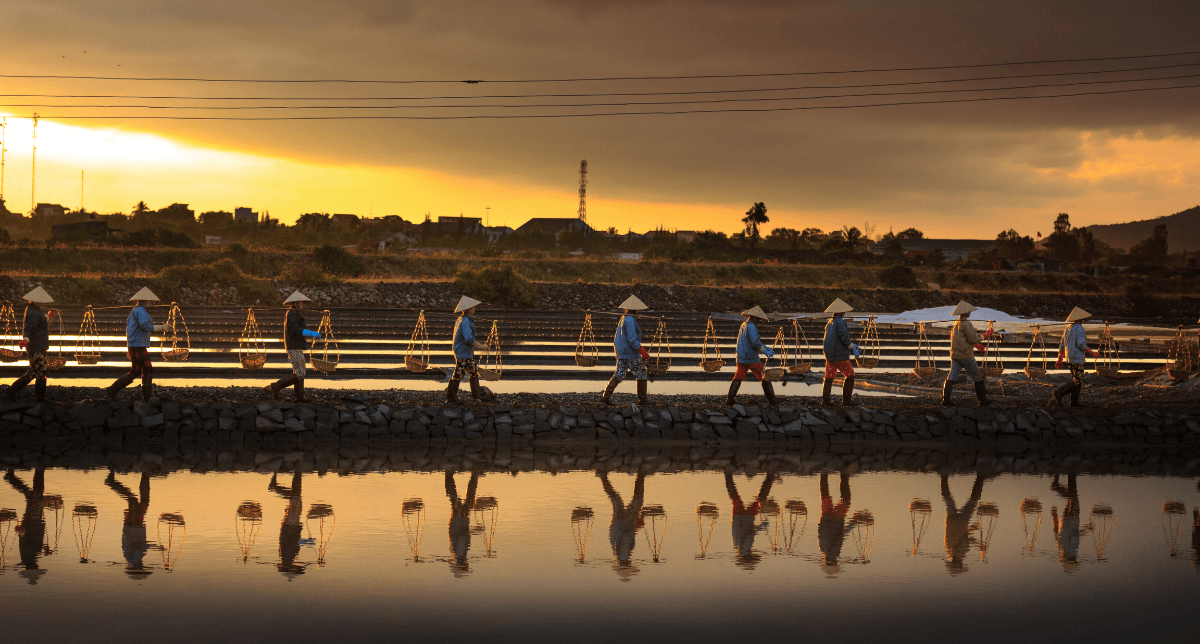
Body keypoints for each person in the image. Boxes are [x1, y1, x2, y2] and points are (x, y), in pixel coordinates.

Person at [105, 287, 167, 402]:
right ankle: (112, 390)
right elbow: (145, 326)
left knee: (147, 368)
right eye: (151, 301)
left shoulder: (139, 310)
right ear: (145, 301)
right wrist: (161, 327)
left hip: (139, 344)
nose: (152, 303)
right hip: (136, 345)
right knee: (136, 370)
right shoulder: (140, 311)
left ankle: (147, 397)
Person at [265, 290, 321, 402]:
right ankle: (276, 386)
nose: (303, 305)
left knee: (300, 371)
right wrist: (311, 333)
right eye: (302, 302)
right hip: (293, 346)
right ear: (296, 303)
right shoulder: (292, 313)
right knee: (300, 372)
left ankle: (299, 396)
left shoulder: (293, 313)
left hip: (295, 345)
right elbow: (295, 329)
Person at [601, 295, 653, 406]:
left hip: (622, 352)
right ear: (634, 309)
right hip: (629, 353)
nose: (639, 312)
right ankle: (642, 399)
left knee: (619, 373)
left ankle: (605, 397)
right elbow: (632, 339)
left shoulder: (625, 317)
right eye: (638, 310)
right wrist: (641, 350)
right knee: (641, 372)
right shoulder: (630, 320)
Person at [6, 287, 56, 402]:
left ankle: (11, 391)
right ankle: (40, 397)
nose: (44, 302)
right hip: (37, 347)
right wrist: (26, 340)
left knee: (32, 372)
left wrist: (48, 316)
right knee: (41, 372)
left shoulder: (34, 310)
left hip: (36, 346)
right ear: (37, 300)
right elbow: (29, 328)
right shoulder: (34, 312)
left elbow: (41, 320)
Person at [942, 301, 994, 407]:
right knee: (977, 376)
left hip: (955, 355)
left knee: (951, 376)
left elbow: (961, 340)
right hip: (965, 355)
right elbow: (973, 338)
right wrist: (984, 336)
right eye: (969, 312)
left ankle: (945, 400)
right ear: (966, 313)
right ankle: (983, 400)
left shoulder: (956, 324)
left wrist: (976, 345)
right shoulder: (966, 324)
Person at [726, 306, 778, 406]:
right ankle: (772, 399)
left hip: (741, 356)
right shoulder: (751, 327)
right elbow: (755, 343)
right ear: (754, 317)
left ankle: (730, 398)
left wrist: (766, 347)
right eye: (758, 318)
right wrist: (765, 352)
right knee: (764, 376)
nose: (759, 320)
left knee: (739, 376)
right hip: (750, 357)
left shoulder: (744, 325)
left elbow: (753, 341)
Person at [599, 470, 646, 581]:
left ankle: (641, 475)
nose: (631, 563)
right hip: (616, 524)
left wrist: (634, 524)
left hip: (624, 524)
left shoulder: (623, 555)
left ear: (627, 565)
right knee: (615, 499)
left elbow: (626, 537)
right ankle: (602, 476)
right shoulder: (617, 554)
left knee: (637, 500)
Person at [105, 470, 151, 577]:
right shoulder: (133, 558)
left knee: (133, 500)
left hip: (133, 527)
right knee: (144, 501)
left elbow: (139, 547)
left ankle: (111, 482)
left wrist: (154, 546)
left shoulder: (134, 558)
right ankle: (145, 476)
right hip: (136, 525)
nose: (144, 566)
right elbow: (141, 546)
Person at [447, 296, 493, 404]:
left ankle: (477, 397)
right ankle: (450, 398)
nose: (474, 309)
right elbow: (468, 338)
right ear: (468, 309)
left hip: (466, 353)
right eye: (473, 307)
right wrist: (481, 346)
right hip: (462, 352)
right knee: (458, 374)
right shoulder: (465, 321)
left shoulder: (463, 320)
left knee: (473, 372)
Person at [726, 472, 776, 570]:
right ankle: (727, 475)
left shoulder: (745, 548)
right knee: (734, 497)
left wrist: (761, 527)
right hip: (737, 518)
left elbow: (750, 534)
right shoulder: (738, 547)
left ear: (749, 558)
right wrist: (758, 528)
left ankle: (770, 477)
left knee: (760, 499)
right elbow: (747, 532)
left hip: (746, 518)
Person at [5, 467, 47, 583]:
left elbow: (25, 542)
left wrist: (22, 532)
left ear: (31, 568)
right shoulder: (31, 557)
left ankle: (38, 471)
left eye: (36, 569)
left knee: (36, 496)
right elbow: (33, 541)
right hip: (34, 522)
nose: (37, 567)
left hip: (32, 521)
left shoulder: (28, 557)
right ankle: (12, 478)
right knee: (32, 495)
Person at [1053, 307, 1097, 408]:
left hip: (1069, 358)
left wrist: (1060, 359)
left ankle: (1074, 402)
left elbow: (1062, 345)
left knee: (1077, 379)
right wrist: (1093, 353)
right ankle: (1059, 393)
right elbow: (1081, 345)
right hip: (1077, 358)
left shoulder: (1068, 327)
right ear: (1081, 319)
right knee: (1077, 380)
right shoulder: (1079, 328)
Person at [941, 473, 985, 574]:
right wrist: (972, 530)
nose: (961, 564)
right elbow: (961, 536)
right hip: (951, 521)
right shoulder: (948, 549)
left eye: (960, 566)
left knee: (973, 500)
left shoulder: (960, 553)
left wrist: (978, 544)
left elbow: (966, 538)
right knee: (947, 499)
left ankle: (980, 477)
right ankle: (943, 477)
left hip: (961, 521)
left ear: (958, 564)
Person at [821, 299, 860, 406]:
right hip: (839, 354)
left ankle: (825, 401)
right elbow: (844, 336)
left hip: (829, 354)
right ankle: (847, 400)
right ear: (842, 312)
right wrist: (852, 347)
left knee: (829, 376)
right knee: (850, 374)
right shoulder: (840, 322)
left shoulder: (830, 322)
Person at [269, 471, 306, 578]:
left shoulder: (287, 555)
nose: (294, 566)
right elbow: (297, 542)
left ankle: (296, 475)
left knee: (295, 498)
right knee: (296, 497)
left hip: (291, 524)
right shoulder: (289, 556)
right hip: (293, 524)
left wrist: (309, 542)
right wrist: (310, 542)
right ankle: (296, 474)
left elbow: (292, 541)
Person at [445, 469, 481, 578]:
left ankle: (451, 476)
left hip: (459, 519)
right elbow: (462, 536)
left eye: (466, 567)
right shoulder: (459, 553)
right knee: (460, 498)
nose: (468, 565)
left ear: (463, 565)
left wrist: (475, 530)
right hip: (459, 521)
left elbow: (462, 536)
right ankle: (471, 476)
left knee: (456, 498)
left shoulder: (460, 553)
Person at [817, 471, 851, 573]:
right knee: (825, 496)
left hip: (836, 521)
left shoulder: (834, 553)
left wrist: (844, 529)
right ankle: (824, 474)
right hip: (825, 519)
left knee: (846, 500)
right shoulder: (822, 549)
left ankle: (844, 474)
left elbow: (838, 539)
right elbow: (820, 532)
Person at [1049, 473, 1082, 572]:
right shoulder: (1060, 549)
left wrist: (1087, 529)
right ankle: (1071, 476)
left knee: (1073, 496)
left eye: (1075, 560)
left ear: (1072, 559)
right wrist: (1054, 516)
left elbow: (1075, 535)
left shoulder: (1073, 549)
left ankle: (1059, 485)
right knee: (1072, 496)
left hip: (1072, 519)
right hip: (1064, 520)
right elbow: (1055, 531)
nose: (1076, 559)